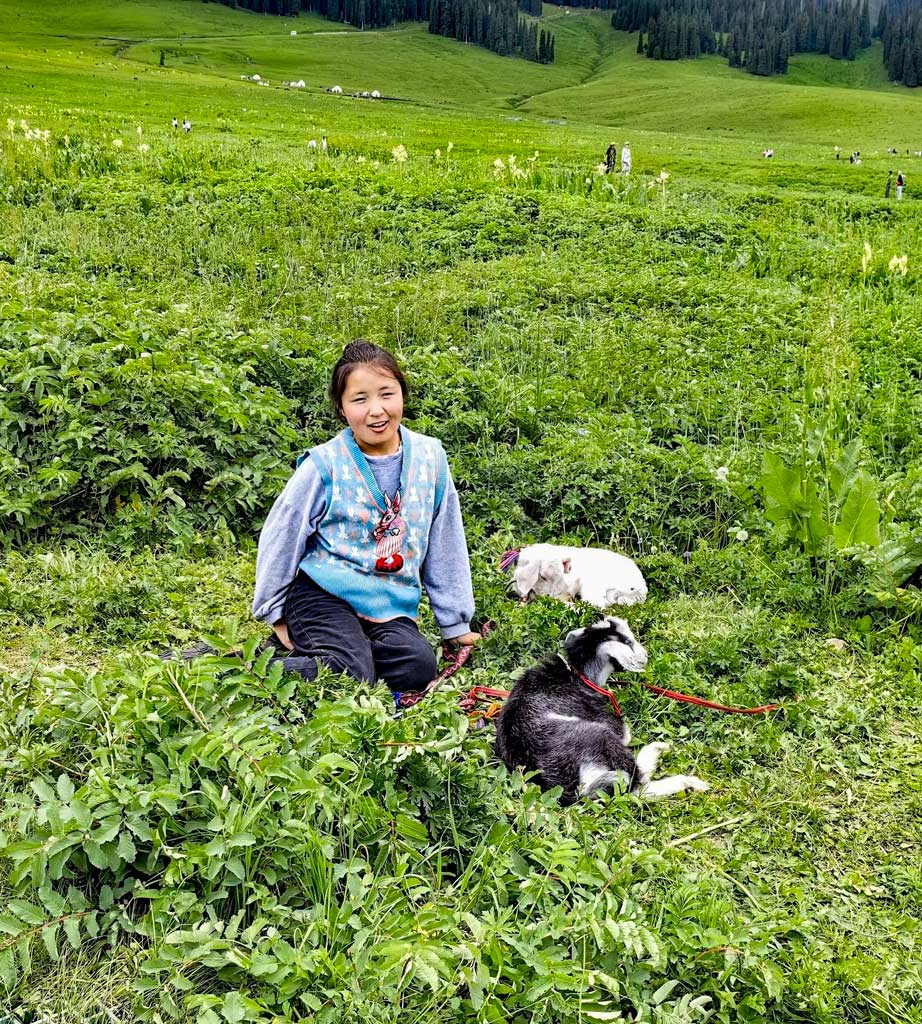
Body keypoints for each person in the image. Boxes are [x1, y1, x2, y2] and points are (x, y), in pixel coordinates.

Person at [253, 340, 479, 694]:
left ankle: (342, 652)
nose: (376, 411)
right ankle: (244, 664)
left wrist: (454, 622)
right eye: (360, 399)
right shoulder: (324, 465)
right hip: (322, 594)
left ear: (402, 395)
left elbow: (445, 539)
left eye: (387, 394)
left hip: (390, 604)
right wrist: (274, 611)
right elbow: (282, 534)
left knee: (418, 666)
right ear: (342, 409)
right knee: (350, 670)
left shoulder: (430, 458)